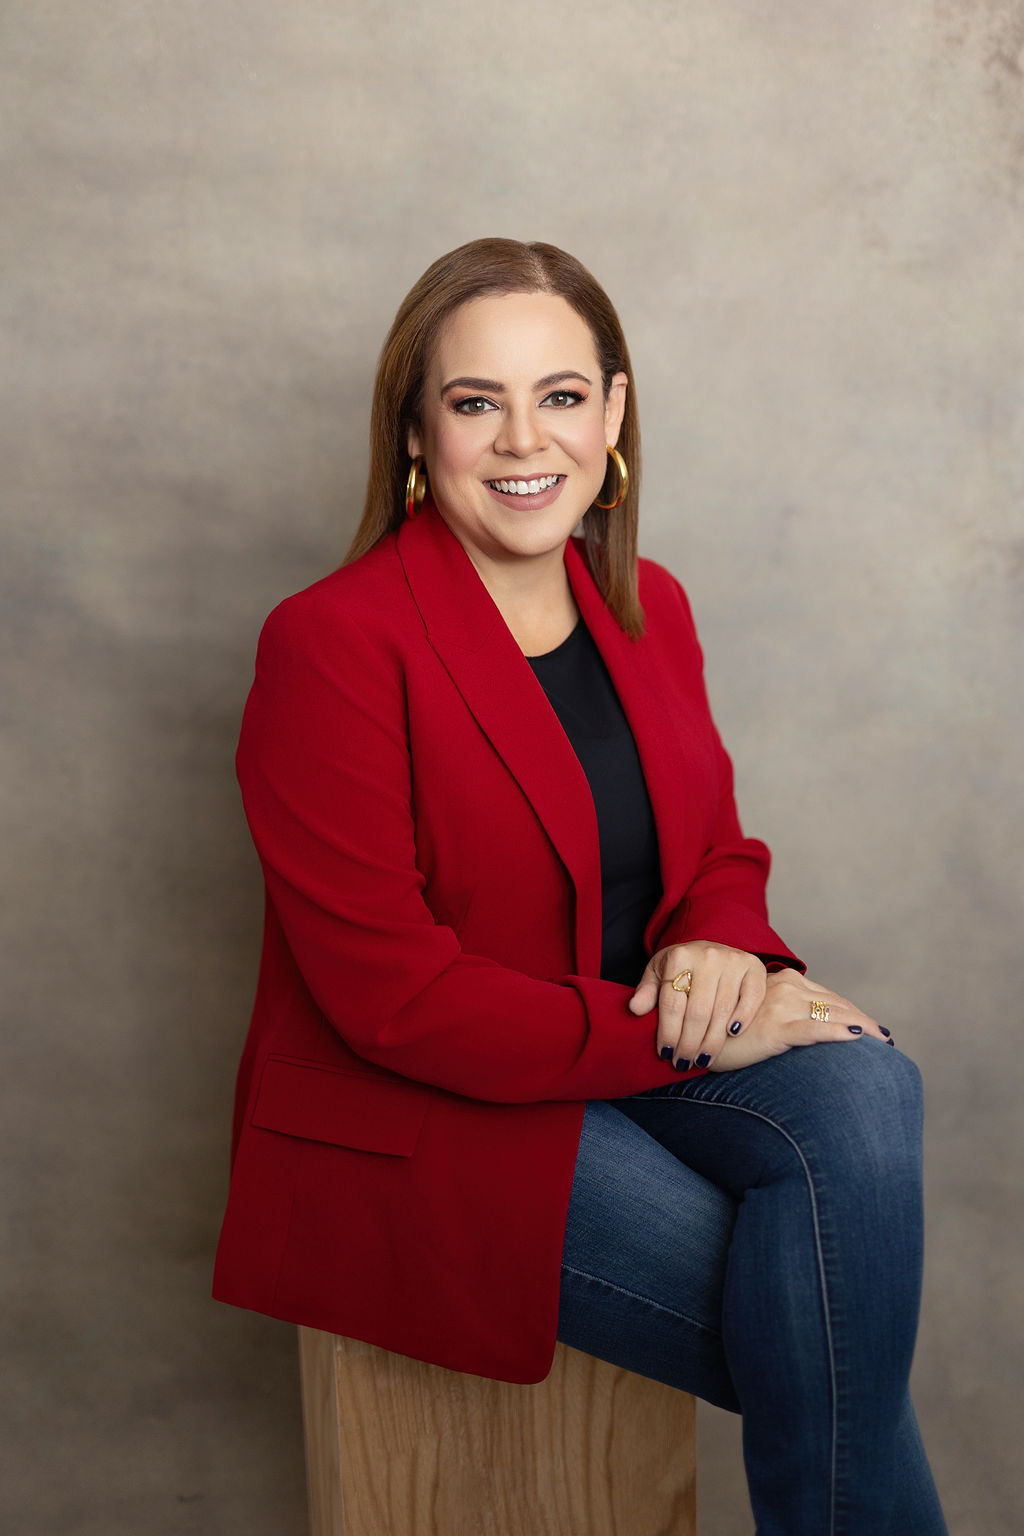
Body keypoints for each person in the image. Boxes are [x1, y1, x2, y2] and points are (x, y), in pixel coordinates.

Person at [213, 238, 947, 1533]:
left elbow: (716, 851)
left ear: (612, 414)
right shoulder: (331, 643)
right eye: (474, 401)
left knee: (871, 1089)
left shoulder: (647, 602)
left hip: (623, 1051)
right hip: (430, 1108)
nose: (522, 440)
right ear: (415, 432)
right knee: (836, 1331)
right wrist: (680, 1031)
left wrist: (724, 946)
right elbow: (395, 999)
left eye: (558, 395)